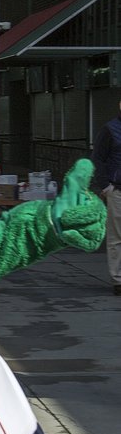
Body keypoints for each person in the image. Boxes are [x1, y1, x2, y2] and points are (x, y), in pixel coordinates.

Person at [91, 99, 121, 295]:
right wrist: (105, 186)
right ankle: (118, 279)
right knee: (117, 237)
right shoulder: (110, 129)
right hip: (118, 190)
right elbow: (98, 158)